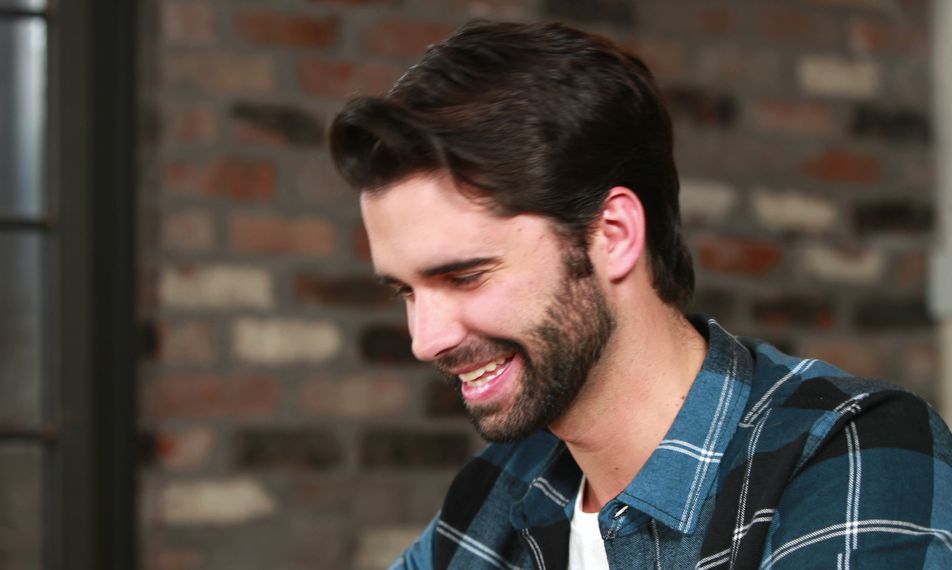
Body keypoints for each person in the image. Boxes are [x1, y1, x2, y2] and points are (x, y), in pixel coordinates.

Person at [327, 20, 952, 569]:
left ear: (615, 234)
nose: (424, 338)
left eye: (464, 276)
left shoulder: (847, 452)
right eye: (405, 291)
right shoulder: (491, 499)